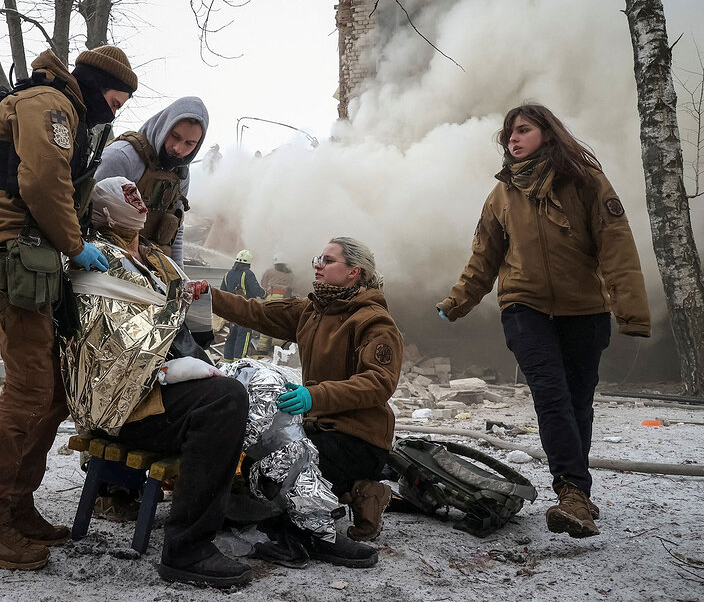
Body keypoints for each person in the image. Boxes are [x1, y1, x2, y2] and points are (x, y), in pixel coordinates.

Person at [0, 45, 137, 571]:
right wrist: (76, 246)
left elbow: (60, 188)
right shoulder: (49, 104)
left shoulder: (70, 110)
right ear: (99, 83)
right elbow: (40, 180)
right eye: (117, 98)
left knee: (53, 388)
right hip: (10, 252)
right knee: (29, 387)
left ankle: (13, 504)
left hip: (30, 253)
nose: (117, 109)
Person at [437, 103, 651, 539]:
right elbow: (484, 259)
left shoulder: (587, 183)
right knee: (552, 397)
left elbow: (617, 247)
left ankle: (578, 495)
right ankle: (571, 493)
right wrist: (457, 301)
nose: (512, 139)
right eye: (508, 135)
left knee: (577, 402)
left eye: (522, 130)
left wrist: (630, 311)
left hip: (585, 311)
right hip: (524, 308)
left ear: (548, 133)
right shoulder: (500, 196)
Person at [80, 177, 252, 588]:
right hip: (129, 404)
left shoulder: (155, 258)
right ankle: (187, 549)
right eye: (127, 195)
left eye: (138, 192)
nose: (139, 199)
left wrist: (189, 302)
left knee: (259, 384)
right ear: (103, 211)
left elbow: (185, 327)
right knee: (225, 400)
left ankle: (279, 514)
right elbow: (108, 344)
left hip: (167, 385)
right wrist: (172, 370)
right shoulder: (98, 259)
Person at [202, 237, 400, 544]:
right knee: (256, 468)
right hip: (316, 426)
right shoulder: (313, 310)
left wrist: (314, 396)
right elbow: (258, 312)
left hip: (358, 438)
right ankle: (355, 491)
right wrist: (208, 295)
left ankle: (349, 498)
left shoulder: (374, 322)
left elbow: (379, 383)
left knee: (279, 479)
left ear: (354, 272)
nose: (318, 265)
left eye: (328, 260)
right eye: (318, 259)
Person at [94, 96, 208, 267]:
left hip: (151, 269)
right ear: (164, 127)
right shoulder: (122, 157)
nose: (178, 148)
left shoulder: (181, 174)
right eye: (175, 136)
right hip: (107, 265)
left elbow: (175, 230)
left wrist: (180, 280)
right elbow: (86, 217)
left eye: (189, 143)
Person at [219, 250, 264, 362]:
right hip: (244, 310)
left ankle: (228, 360)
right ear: (248, 263)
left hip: (231, 311)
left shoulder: (228, 274)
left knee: (232, 335)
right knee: (244, 335)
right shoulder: (247, 274)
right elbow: (256, 290)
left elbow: (222, 291)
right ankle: (239, 361)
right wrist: (264, 294)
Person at [256, 256, 294, 354]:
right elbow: (291, 286)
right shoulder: (290, 274)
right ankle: (276, 348)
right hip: (284, 300)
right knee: (279, 323)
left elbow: (263, 284)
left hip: (271, 298)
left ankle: (262, 349)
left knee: (266, 322)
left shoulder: (269, 271)